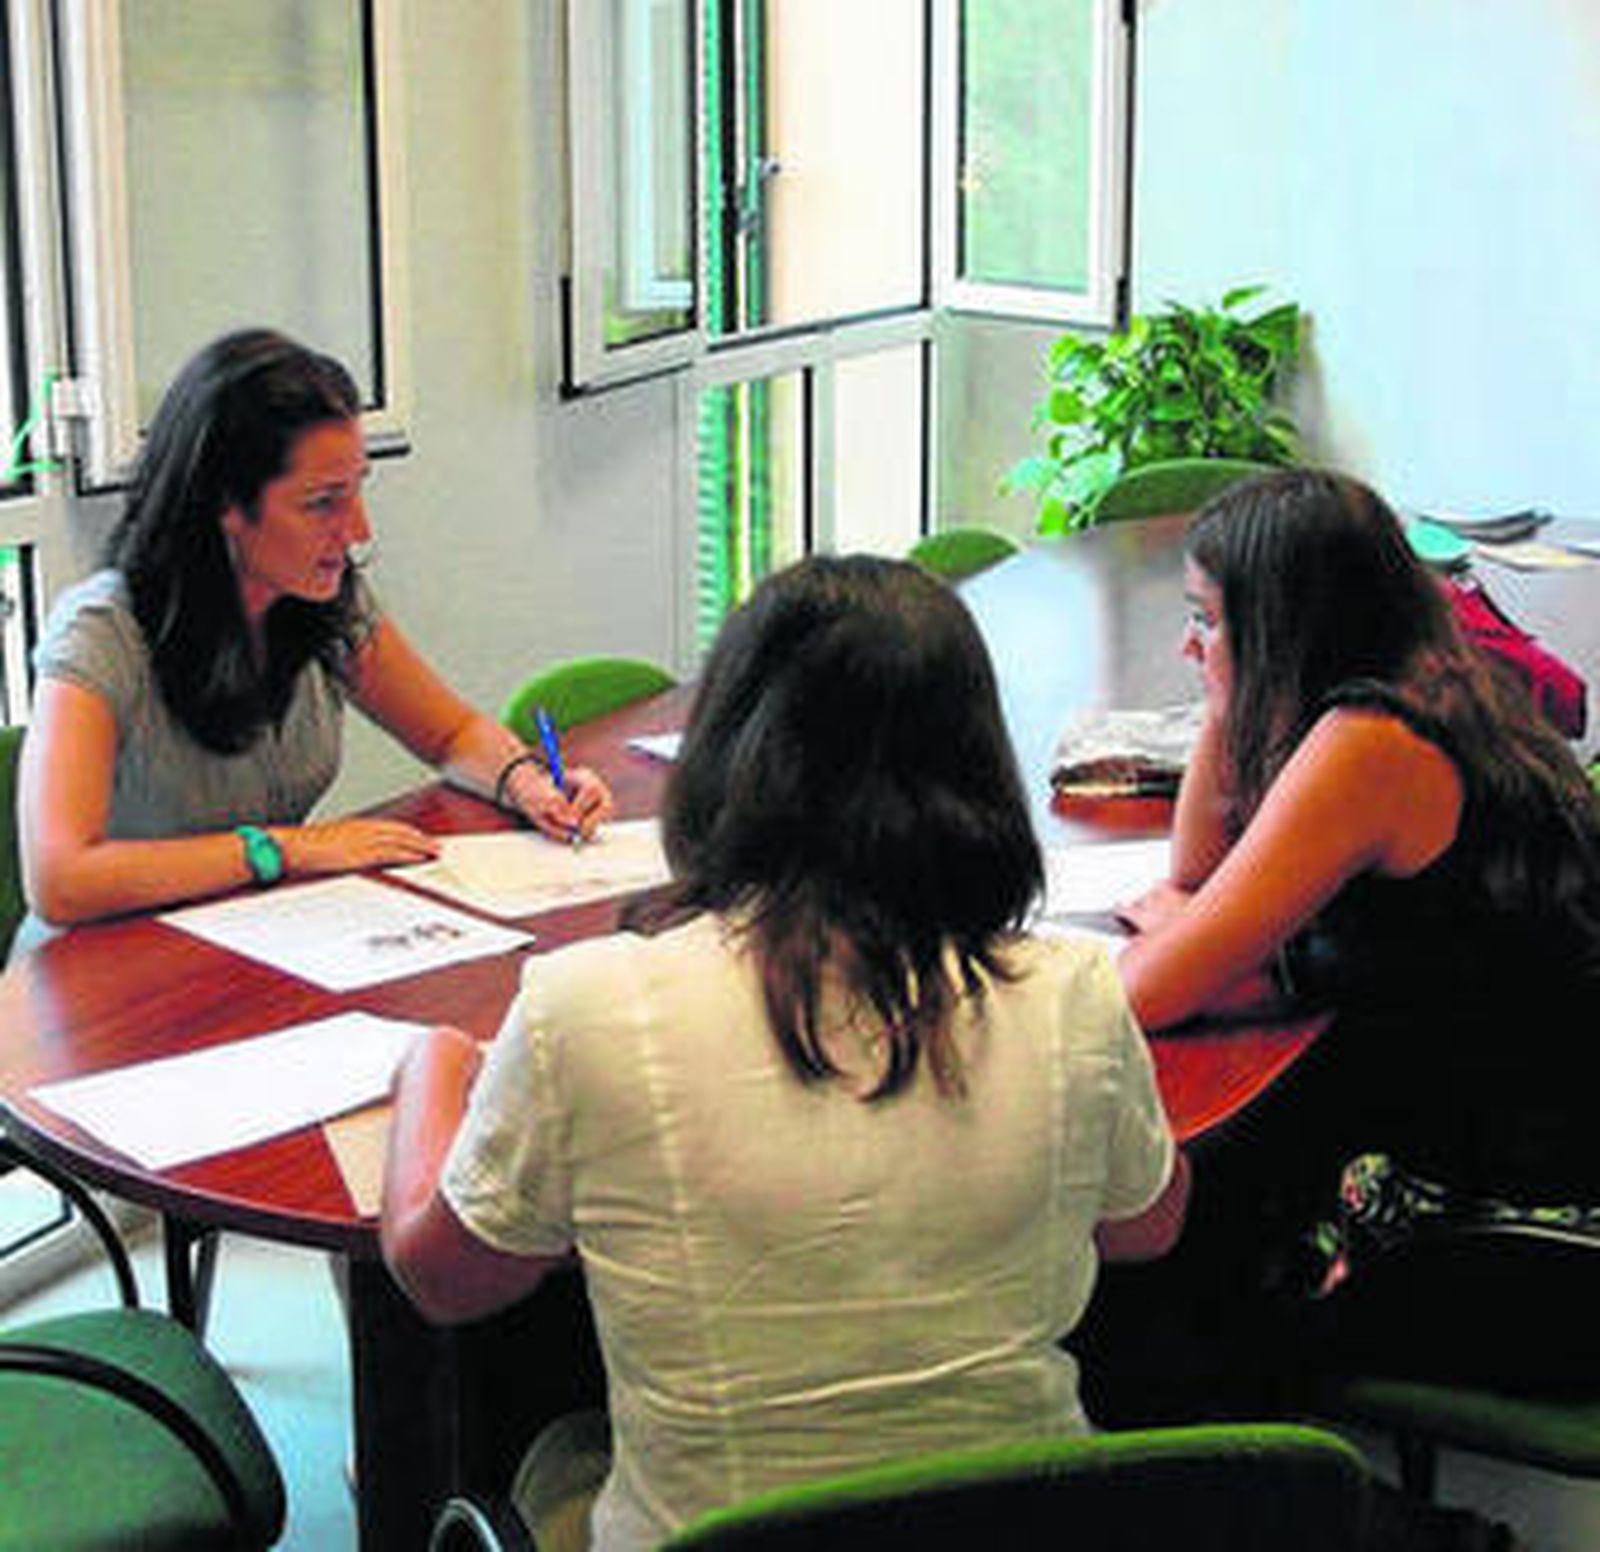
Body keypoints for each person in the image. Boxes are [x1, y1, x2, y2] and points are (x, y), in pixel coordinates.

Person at [382, 554, 1188, 1552]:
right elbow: (1144, 1227)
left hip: (710, 1531)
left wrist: (432, 1066)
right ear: (979, 762)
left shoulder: (586, 1007)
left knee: (551, 1443)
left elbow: (445, 1278)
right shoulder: (1072, 989)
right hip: (1017, 1524)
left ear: (728, 755)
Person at [1092, 468, 1600, 1433]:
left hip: (1528, 1235)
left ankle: (1250, 1497)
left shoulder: (1372, 743)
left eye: (1207, 621)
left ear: (1284, 627)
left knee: (1161, 1263)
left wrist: (1209, 947)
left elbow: (1149, 988)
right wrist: (1222, 687)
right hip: (1519, 1140)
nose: (1185, 645)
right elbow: (1201, 868)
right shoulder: (1437, 677)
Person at [15, 329, 613, 955]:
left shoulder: (322, 601)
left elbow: (450, 734)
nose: (356, 530)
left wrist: (527, 783)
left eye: (357, 490)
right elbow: (60, 879)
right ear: (224, 503)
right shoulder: (102, 634)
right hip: (94, 978)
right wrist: (280, 848)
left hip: (249, 941)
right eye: (323, 503)